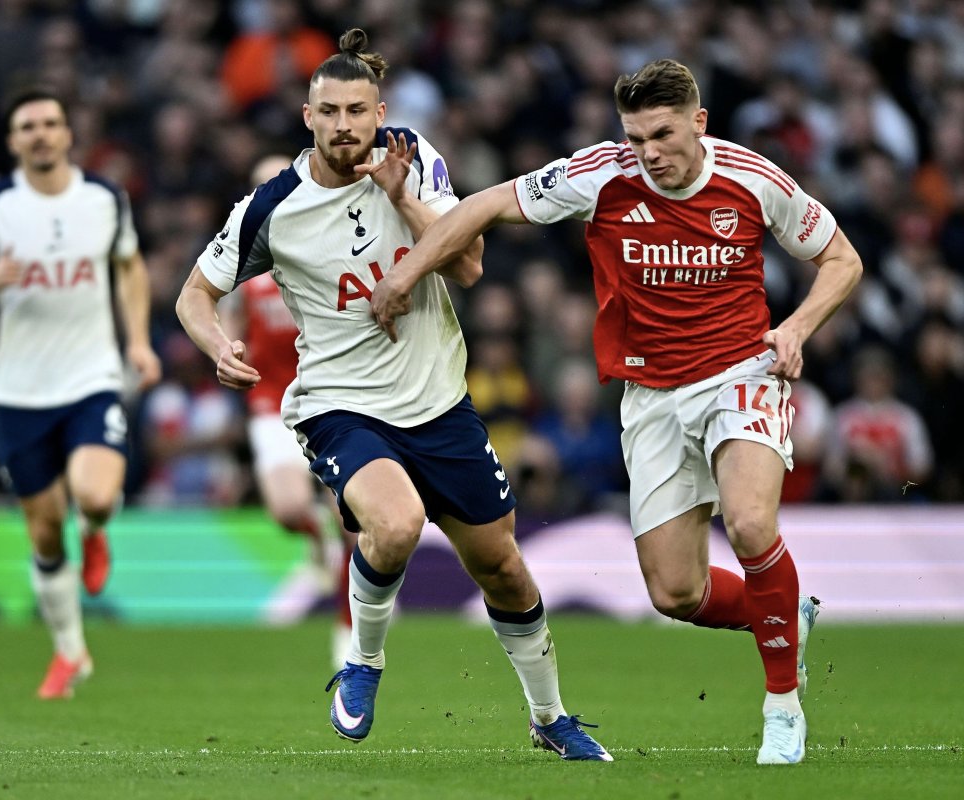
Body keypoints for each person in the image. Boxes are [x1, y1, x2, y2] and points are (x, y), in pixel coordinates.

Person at [371, 59, 864, 765]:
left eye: (662, 134)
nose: (649, 153)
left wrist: (795, 329)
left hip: (742, 373)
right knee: (676, 592)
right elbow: (481, 208)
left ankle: (782, 708)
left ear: (699, 122)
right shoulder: (600, 175)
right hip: (652, 395)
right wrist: (407, 271)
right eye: (635, 138)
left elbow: (842, 260)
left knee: (751, 524)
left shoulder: (754, 178)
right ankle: (785, 615)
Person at [176, 29, 611, 761]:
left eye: (357, 110)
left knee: (502, 567)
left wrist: (402, 196)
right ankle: (364, 661)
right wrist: (219, 345)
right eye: (329, 112)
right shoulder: (272, 207)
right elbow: (194, 293)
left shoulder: (413, 158)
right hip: (340, 405)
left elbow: (468, 266)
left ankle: (550, 717)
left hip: (438, 403)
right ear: (307, 118)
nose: (344, 125)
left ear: (379, 113)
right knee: (396, 522)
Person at [0, 88, 160, 699]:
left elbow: (130, 265)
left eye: (50, 123)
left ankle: (94, 528)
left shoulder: (104, 198)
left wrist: (138, 342)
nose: (40, 133)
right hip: (18, 389)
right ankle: (70, 653)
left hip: (91, 377)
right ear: (13, 141)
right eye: (27, 126)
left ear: (68, 134)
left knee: (95, 494)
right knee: (42, 531)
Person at [241, 153, 354, 667]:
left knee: (353, 523)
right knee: (288, 510)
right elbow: (226, 318)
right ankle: (316, 539)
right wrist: (227, 349)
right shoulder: (241, 257)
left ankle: (349, 637)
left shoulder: (325, 244)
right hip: (271, 398)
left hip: (329, 392)